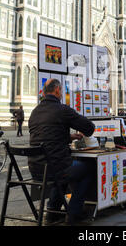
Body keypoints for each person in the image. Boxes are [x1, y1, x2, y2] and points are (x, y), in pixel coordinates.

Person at [28, 79, 96, 225]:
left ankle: (52, 212)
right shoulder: (62, 110)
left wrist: (68, 136)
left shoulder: (35, 112)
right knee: (89, 169)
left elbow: (45, 136)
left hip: (36, 169)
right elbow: (89, 128)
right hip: (55, 169)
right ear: (58, 90)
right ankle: (74, 214)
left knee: (61, 168)